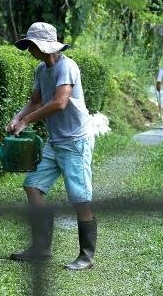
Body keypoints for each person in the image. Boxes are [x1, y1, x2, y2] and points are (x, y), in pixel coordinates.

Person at [6, 22, 96, 270]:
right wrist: (18, 117)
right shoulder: (41, 70)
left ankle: (86, 256)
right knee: (33, 186)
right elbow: (35, 101)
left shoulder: (67, 67)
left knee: (80, 198)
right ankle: (41, 248)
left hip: (76, 141)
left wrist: (26, 120)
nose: (29, 50)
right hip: (55, 142)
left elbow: (59, 102)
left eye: (31, 46)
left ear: (43, 46)